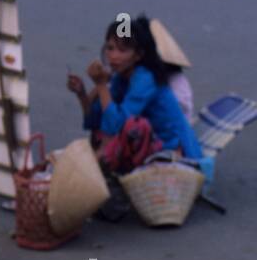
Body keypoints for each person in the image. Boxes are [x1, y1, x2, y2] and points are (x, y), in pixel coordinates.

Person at [67, 15, 202, 170]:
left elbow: (117, 125)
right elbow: (97, 119)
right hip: (149, 145)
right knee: (104, 114)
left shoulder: (145, 78)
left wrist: (102, 85)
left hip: (170, 150)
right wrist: (82, 94)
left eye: (122, 50)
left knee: (135, 126)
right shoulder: (121, 77)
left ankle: (104, 166)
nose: (113, 56)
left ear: (138, 55)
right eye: (110, 48)